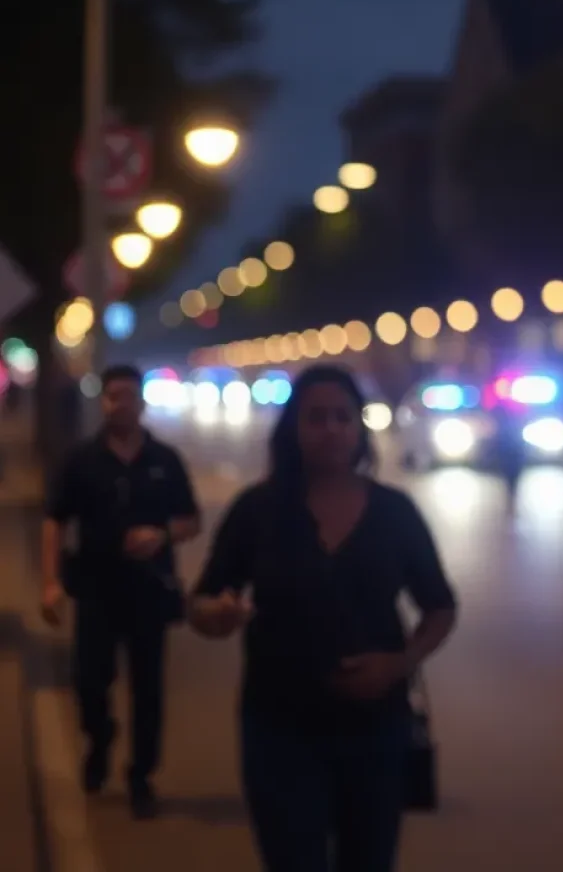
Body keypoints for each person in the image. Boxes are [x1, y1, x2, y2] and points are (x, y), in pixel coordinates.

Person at [189, 365, 457, 872]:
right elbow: (202, 601)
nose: (330, 429)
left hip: (376, 730)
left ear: (359, 429)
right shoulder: (258, 510)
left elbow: (440, 606)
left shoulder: (394, 512)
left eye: (342, 417)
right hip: (278, 727)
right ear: (293, 429)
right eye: (315, 418)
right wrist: (217, 616)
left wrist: (399, 664)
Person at [40, 364, 200, 819]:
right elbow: (55, 520)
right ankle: (100, 735)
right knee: (89, 680)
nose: (121, 404)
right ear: (103, 402)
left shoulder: (165, 461)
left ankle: (141, 777)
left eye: (129, 396)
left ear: (141, 402)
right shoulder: (81, 460)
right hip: (95, 590)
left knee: (148, 690)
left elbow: (192, 521)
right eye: (113, 397)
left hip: (150, 593)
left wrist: (162, 534)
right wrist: (50, 582)